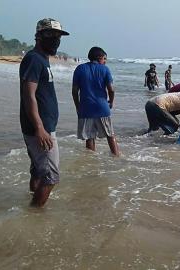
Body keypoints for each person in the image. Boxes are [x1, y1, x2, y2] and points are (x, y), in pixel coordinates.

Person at [19, 18, 69, 207]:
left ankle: (32, 200)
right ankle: (34, 216)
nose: (55, 40)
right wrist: (40, 128)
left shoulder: (42, 59)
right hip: (40, 129)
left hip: (41, 126)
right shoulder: (34, 58)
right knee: (50, 178)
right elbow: (28, 95)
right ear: (38, 36)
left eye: (58, 36)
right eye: (50, 35)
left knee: (38, 171)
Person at [72, 47, 120, 156]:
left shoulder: (80, 69)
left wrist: (77, 106)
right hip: (102, 107)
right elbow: (111, 90)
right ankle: (117, 157)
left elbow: (74, 91)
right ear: (99, 58)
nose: (105, 61)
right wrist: (111, 102)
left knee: (89, 137)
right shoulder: (105, 69)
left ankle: (91, 162)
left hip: (85, 107)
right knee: (110, 135)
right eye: (104, 58)